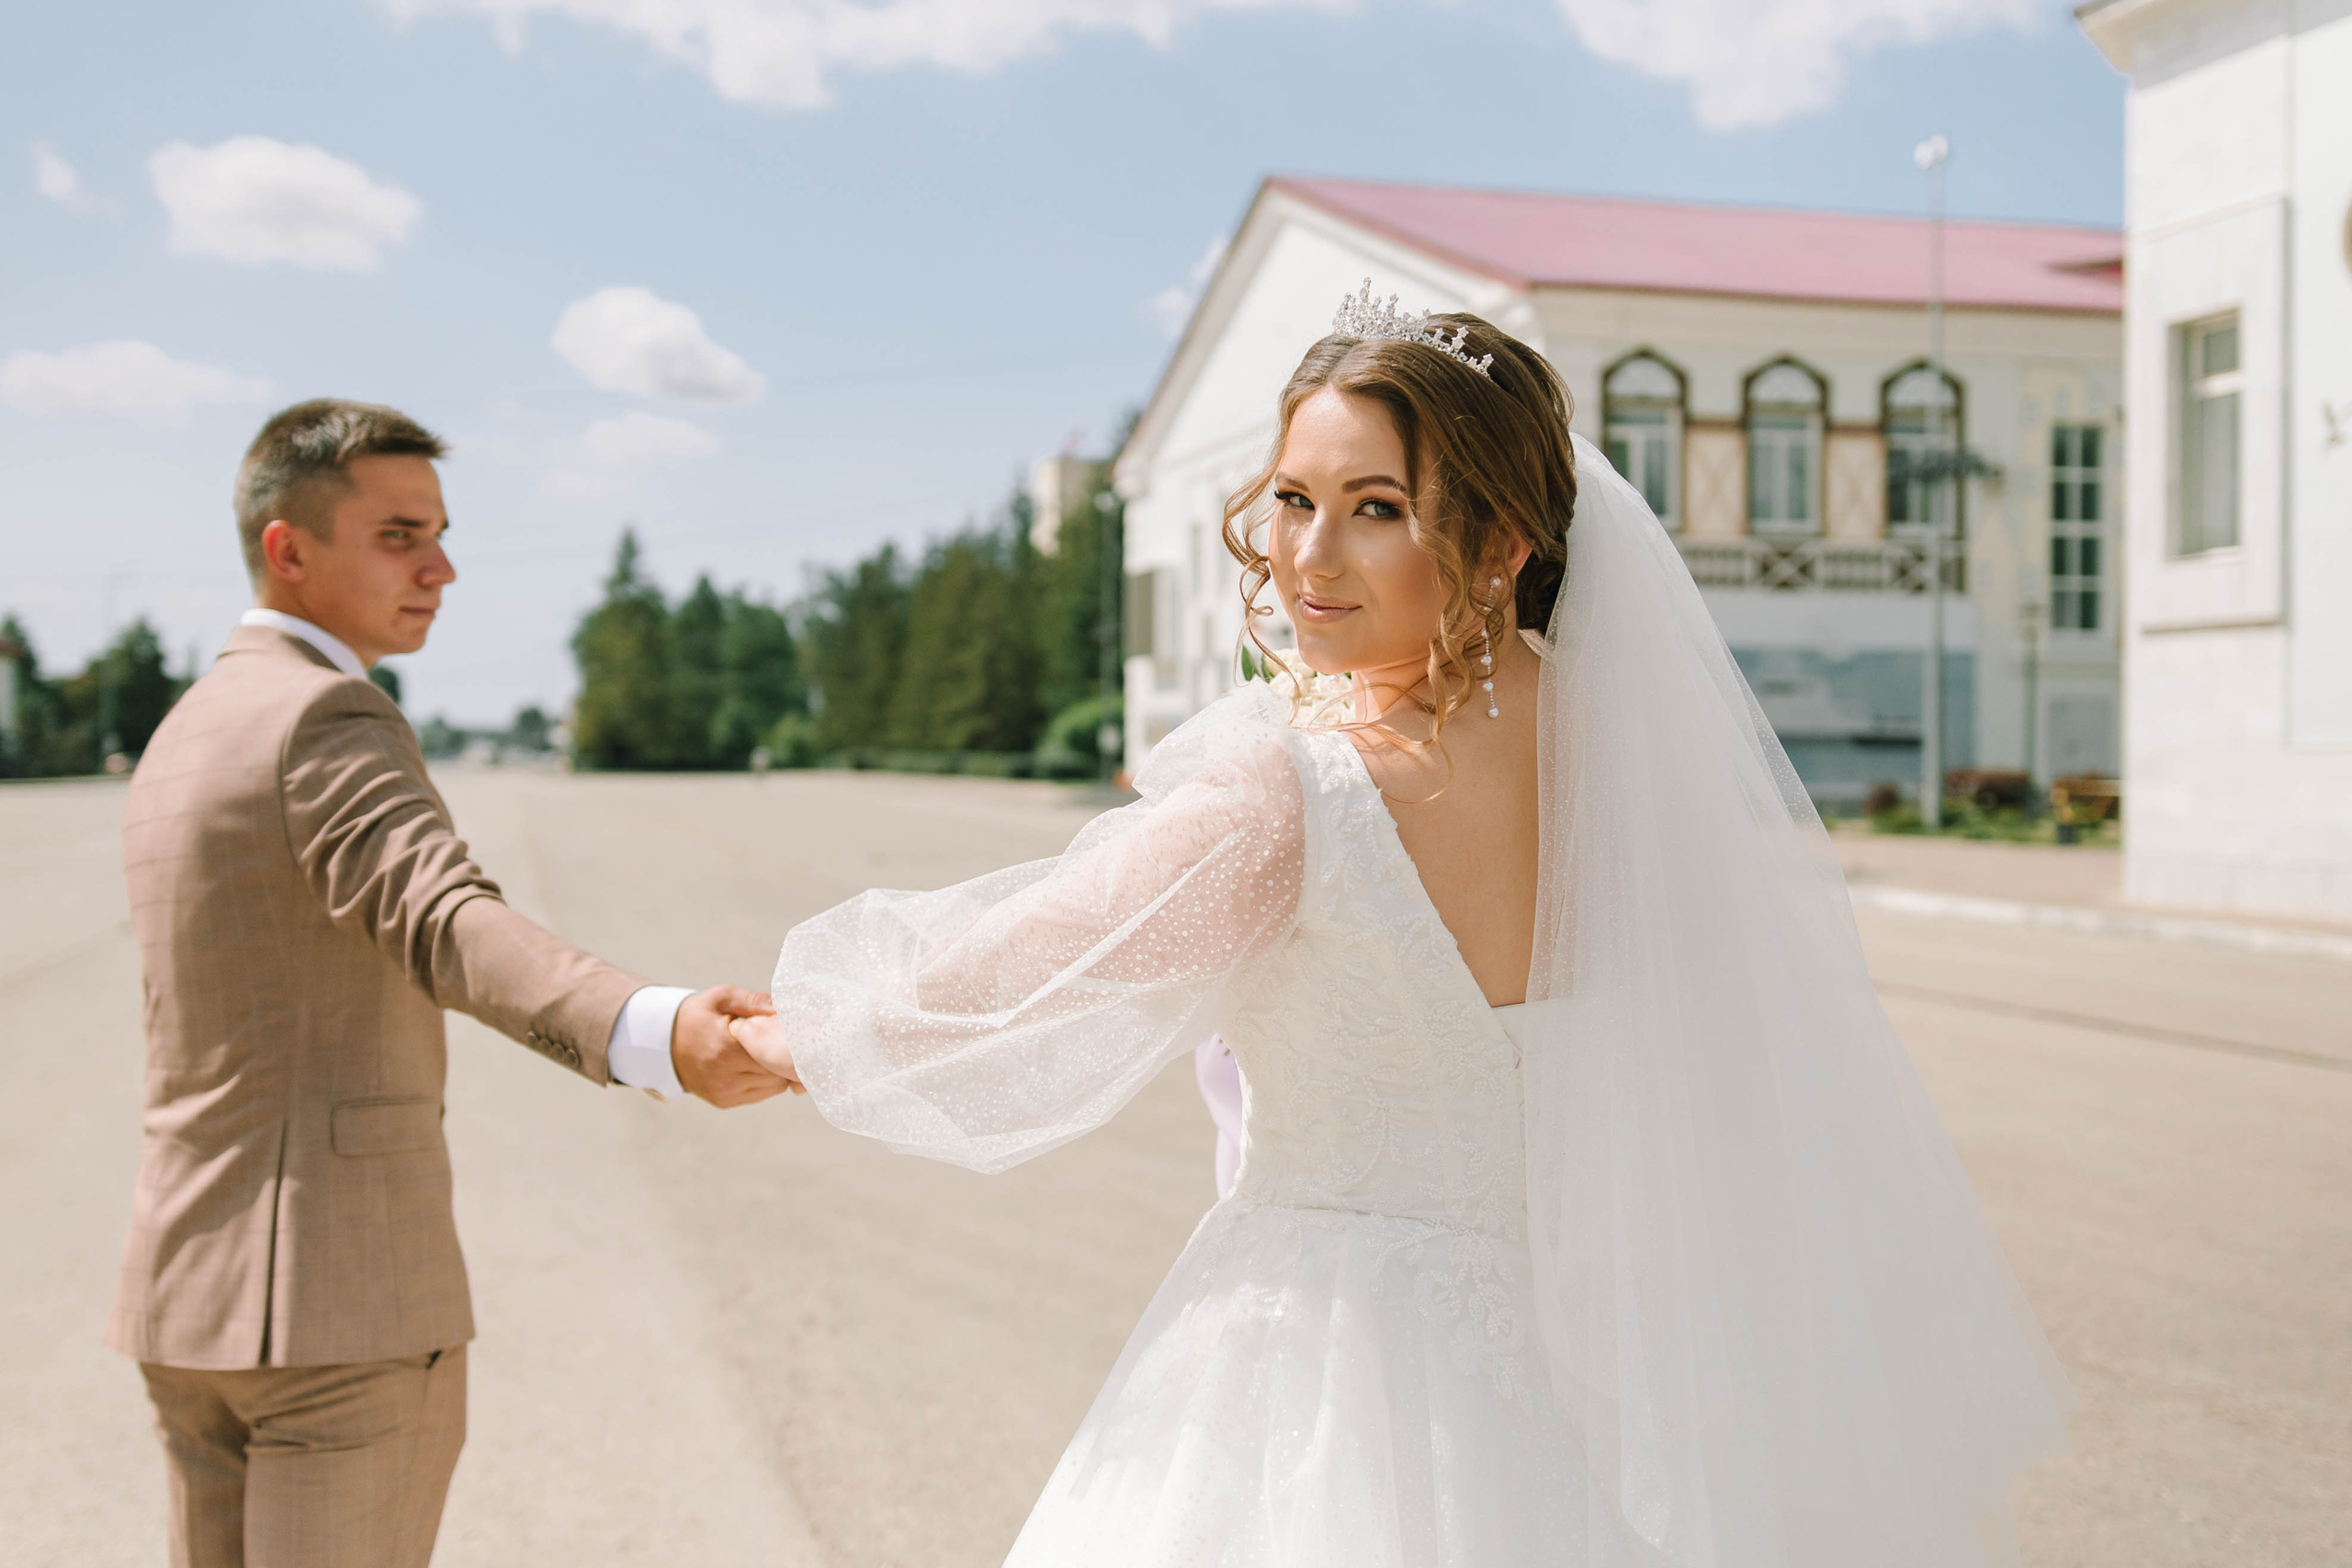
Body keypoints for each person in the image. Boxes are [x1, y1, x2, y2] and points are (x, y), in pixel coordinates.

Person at [730, 288, 2073, 1564]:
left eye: (1375, 508)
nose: (1309, 556)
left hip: (1320, 1364)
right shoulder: (1636, 748)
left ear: (1501, 541)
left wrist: (774, 1038)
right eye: (1295, 501)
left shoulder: (1291, 783)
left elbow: (1011, 976)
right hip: (1596, 1359)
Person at [110, 399, 793, 1568]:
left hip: (190, 1303)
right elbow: (440, 915)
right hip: (334, 1307)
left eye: (439, 532)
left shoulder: (188, 728)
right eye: (398, 535)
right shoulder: (323, 711)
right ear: (289, 548)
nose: (444, 566)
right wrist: (656, 1030)